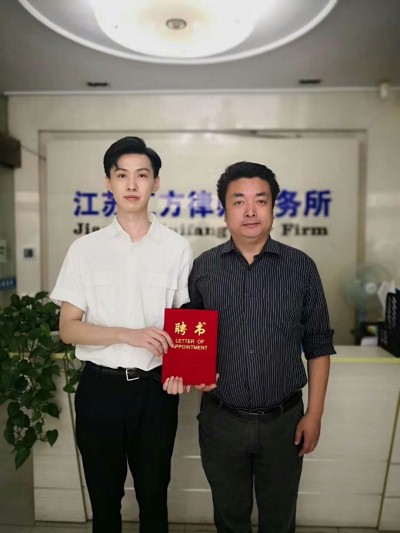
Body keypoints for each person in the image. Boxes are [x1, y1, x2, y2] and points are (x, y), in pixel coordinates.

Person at [50, 136, 193, 533]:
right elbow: (68, 328)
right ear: (108, 183)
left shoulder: (177, 248)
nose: (132, 184)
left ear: (155, 183)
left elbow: (184, 319)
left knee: (154, 498)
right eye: (122, 175)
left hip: (155, 392)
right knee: (104, 501)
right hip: (100, 390)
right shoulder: (85, 249)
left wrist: (184, 367)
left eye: (142, 175)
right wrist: (127, 335)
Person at [186, 161, 335, 533]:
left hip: (284, 423)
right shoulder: (203, 269)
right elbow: (191, 343)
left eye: (260, 200)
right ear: (225, 211)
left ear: (273, 208)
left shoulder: (301, 268)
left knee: (279, 521)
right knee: (229, 519)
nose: (250, 211)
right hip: (221, 421)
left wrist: (314, 415)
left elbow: (318, 344)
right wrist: (192, 371)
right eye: (239, 201)